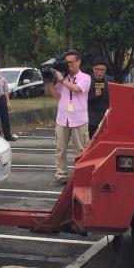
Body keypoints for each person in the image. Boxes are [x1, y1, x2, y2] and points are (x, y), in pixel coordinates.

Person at [44, 50, 91, 185]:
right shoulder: (63, 77)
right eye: (66, 62)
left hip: (79, 119)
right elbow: (55, 94)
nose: (68, 64)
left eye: (71, 62)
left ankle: (82, 174)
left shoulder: (85, 77)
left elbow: (76, 89)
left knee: (81, 150)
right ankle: (60, 174)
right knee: (60, 149)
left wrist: (61, 79)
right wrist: (48, 81)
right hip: (62, 118)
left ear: (78, 62)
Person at [87, 56, 114, 138]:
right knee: (90, 141)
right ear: (93, 68)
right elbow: (81, 100)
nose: (99, 72)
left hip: (105, 117)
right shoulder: (87, 80)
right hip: (90, 118)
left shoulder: (110, 80)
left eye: (102, 70)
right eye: (97, 69)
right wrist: (94, 95)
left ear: (105, 69)